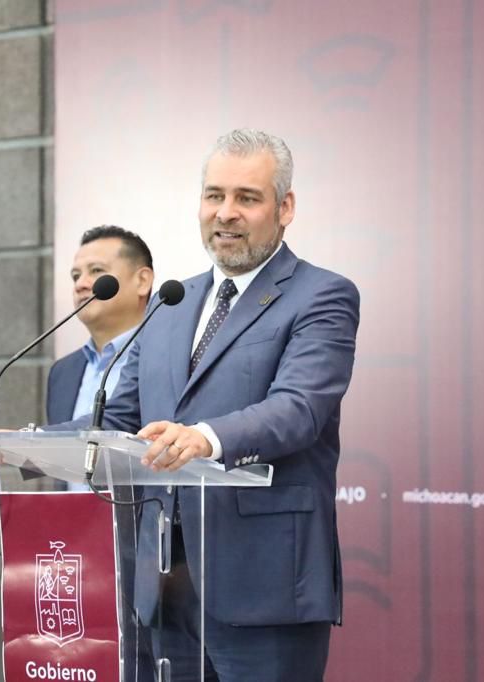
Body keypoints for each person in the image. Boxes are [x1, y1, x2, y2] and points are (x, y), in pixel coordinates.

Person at [55, 129, 359, 681]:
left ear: (285, 208)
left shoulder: (321, 295)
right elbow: (119, 418)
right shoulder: (170, 302)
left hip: (264, 584)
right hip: (165, 585)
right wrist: (22, 444)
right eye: (214, 195)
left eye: (247, 197)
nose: (226, 213)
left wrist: (205, 438)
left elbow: (299, 409)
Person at [47, 225, 154, 428]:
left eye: (96, 271)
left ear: (142, 281)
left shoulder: (168, 359)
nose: (80, 284)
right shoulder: (62, 372)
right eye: (76, 276)